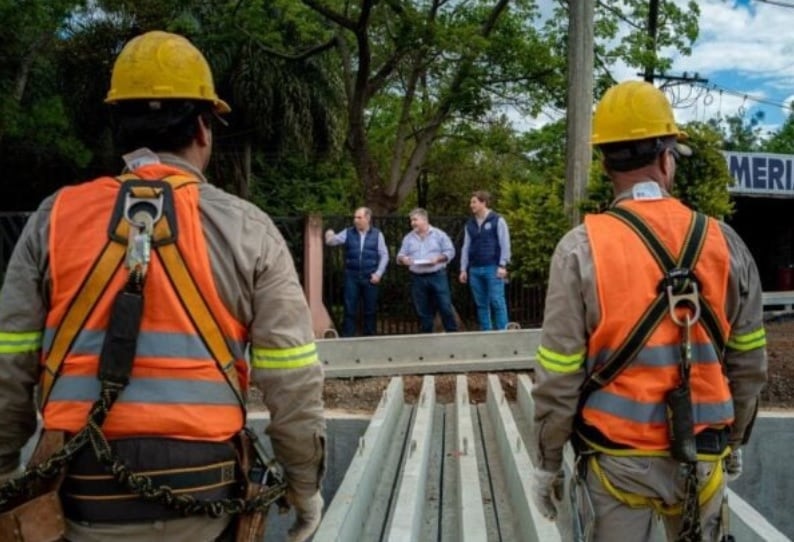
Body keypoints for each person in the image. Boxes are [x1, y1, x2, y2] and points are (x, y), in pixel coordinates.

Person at [0, 31, 325, 542]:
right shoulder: (248, 228)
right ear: (203, 127)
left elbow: (9, 361)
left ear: (118, 129)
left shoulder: (53, 218)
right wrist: (304, 487)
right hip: (205, 493)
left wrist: (4, 473)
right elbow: (293, 376)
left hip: (81, 491)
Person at [530, 80, 767, 541]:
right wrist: (736, 437)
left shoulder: (580, 249)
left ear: (604, 163)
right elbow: (749, 362)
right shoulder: (725, 243)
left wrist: (547, 462)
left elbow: (558, 374)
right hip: (704, 455)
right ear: (666, 159)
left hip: (617, 463)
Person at [325, 207, 389, 336]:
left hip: (370, 277)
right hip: (352, 276)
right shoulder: (348, 232)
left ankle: (369, 339)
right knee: (349, 309)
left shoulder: (377, 234)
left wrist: (378, 274)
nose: (355, 220)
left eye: (359, 217)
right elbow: (331, 242)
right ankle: (348, 339)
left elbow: (384, 255)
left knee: (370, 310)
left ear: (368, 218)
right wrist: (329, 233)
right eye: (355, 217)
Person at [396, 208, 458, 333]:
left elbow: (450, 252)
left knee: (445, 306)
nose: (412, 223)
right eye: (411, 220)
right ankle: (427, 337)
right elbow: (399, 256)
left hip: (437, 275)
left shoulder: (439, 235)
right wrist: (404, 260)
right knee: (423, 309)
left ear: (424, 219)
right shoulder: (408, 238)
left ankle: (452, 334)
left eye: (415, 220)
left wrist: (439, 258)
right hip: (417, 277)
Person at [459, 190, 511, 331]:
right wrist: (463, 269)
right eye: (471, 202)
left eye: (474, 202)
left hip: (493, 267)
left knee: (496, 301)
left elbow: (504, 243)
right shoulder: (469, 224)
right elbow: (466, 246)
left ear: (484, 203)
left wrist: (502, 264)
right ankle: (486, 334)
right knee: (481, 304)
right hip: (475, 268)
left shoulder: (497, 220)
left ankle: (503, 333)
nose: (471, 205)